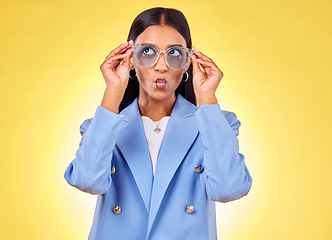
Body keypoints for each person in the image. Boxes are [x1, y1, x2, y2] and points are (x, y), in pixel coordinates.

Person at [64, 7, 252, 240]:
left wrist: (206, 99)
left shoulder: (217, 125)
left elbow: (228, 189)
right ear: (130, 59)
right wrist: (113, 91)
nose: (161, 66)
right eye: (148, 51)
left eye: (174, 53)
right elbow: (87, 180)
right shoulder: (103, 126)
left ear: (187, 63)